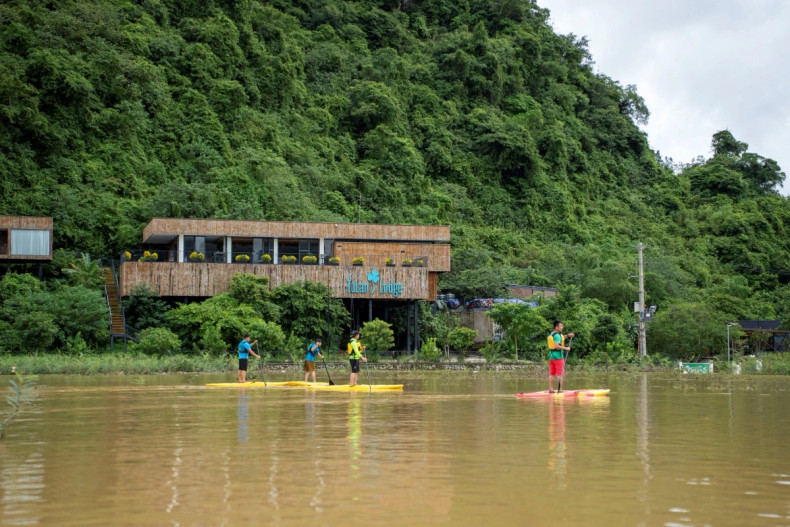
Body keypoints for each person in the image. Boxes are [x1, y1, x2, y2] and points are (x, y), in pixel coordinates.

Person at [548, 320, 574, 393]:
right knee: (560, 373)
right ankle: (560, 390)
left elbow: (562, 337)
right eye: (561, 326)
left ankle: (551, 389)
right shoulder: (557, 335)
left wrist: (568, 335)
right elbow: (557, 346)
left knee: (552, 373)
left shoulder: (553, 334)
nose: (562, 327)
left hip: (551, 356)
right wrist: (566, 348)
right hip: (558, 357)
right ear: (556, 327)